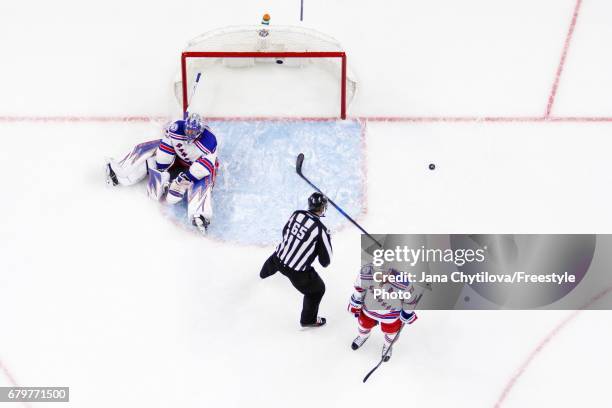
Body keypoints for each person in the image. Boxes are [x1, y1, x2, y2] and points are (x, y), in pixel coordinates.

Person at [105, 113, 218, 234]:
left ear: (200, 132)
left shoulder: (209, 141)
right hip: (178, 158)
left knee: (202, 180)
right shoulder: (175, 128)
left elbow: (204, 167)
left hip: (198, 167)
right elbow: (166, 147)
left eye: (193, 132)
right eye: (188, 130)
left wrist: (186, 178)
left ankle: (200, 215)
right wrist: (161, 168)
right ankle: (121, 175)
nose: (189, 133)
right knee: (151, 155)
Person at [260, 192, 333, 328]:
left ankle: (262, 276)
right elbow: (325, 262)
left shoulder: (297, 214)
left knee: (276, 257)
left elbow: (284, 232)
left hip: (278, 258)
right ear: (323, 208)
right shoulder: (321, 230)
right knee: (318, 290)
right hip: (298, 273)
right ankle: (308, 320)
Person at [348, 264, 418, 361]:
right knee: (363, 325)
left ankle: (388, 345)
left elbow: (410, 300)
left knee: (391, 333)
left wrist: (407, 313)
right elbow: (359, 288)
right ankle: (363, 336)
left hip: (391, 315)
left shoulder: (403, 281)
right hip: (369, 309)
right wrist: (356, 302)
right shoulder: (366, 272)